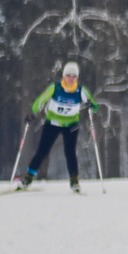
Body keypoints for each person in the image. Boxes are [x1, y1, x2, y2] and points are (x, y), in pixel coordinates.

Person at [21, 61, 91, 191]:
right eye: (68, 75)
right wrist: (32, 112)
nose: (71, 79)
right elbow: (40, 101)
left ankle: (74, 180)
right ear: (64, 76)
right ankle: (28, 177)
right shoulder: (55, 88)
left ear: (77, 77)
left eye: (74, 76)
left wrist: (90, 104)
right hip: (53, 123)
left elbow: (94, 105)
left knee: (70, 152)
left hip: (71, 125)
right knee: (43, 151)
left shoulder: (81, 90)